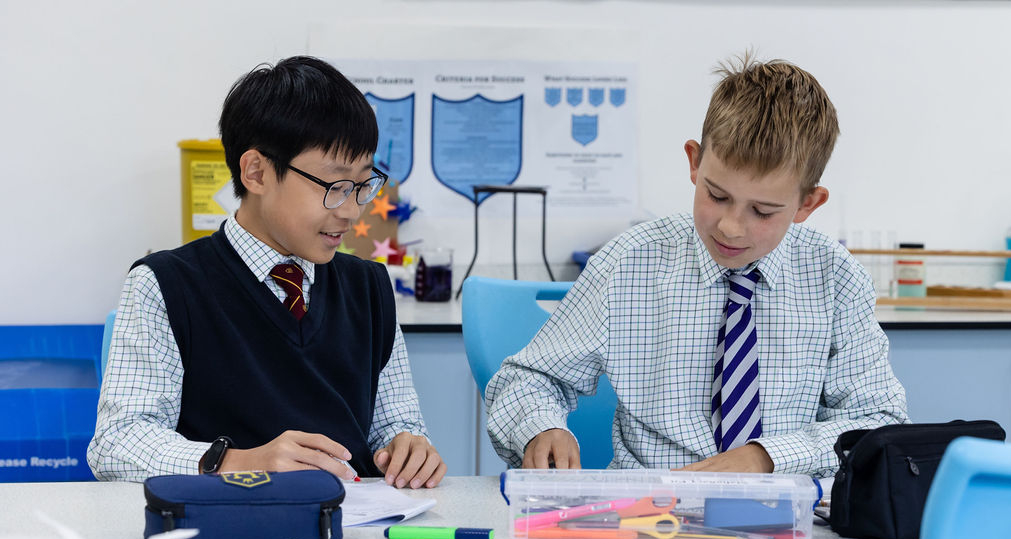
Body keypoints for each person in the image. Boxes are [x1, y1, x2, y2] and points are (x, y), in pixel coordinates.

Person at [486, 55, 907, 476]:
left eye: (762, 211)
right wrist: (541, 429)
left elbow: (879, 423)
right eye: (717, 195)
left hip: (789, 520)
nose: (731, 227)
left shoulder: (835, 278)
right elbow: (527, 379)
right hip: (649, 519)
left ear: (807, 204)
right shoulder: (630, 261)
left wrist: (766, 458)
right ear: (694, 161)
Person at [89, 56, 446, 489]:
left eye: (362, 186)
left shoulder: (368, 287)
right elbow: (117, 442)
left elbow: (395, 424)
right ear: (256, 172)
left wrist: (409, 448)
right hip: (223, 538)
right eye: (333, 187)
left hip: (353, 535)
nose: (352, 211)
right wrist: (241, 462)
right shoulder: (165, 285)